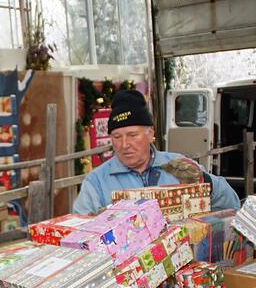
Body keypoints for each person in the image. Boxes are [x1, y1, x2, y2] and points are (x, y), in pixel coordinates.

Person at [72, 89, 240, 215]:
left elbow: (232, 204)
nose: (124, 144)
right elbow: (79, 231)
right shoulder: (97, 182)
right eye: (116, 136)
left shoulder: (178, 165)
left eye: (132, 135)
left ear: (150, 133)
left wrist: (206, 183)